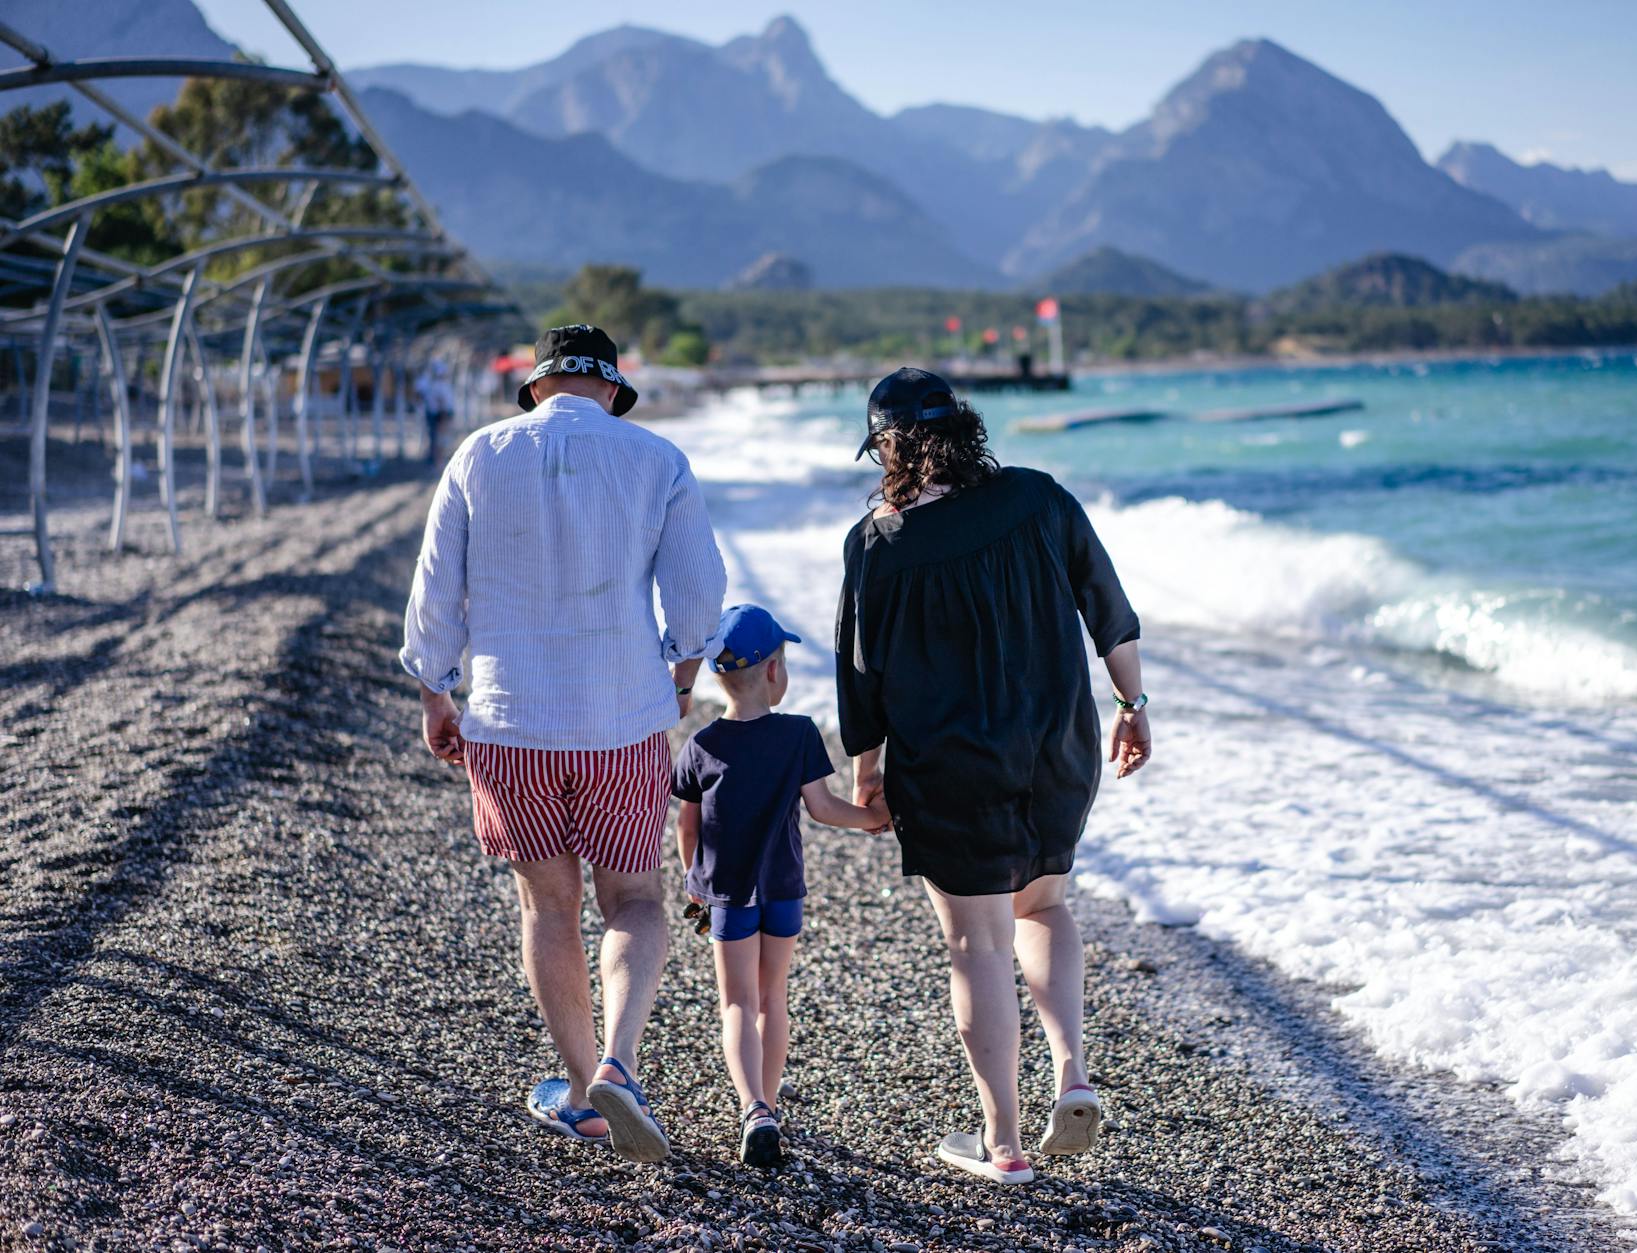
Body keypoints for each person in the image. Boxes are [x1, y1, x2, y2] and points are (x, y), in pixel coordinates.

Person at [399, 324, 726, 1160]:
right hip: (621, 721)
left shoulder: (478, 454)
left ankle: (582, 1093)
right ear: (612, 388)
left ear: (536, 387)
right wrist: (681, 682)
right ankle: (621, 1060)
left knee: (549, 905)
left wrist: (437, 692)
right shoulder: (656, 459)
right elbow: (697, 598)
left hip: (509, 721)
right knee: (637, 902)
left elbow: (434, 592)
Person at [836, 367, 1152, 1185]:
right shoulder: (1041, 497)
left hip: (946, 765)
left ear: (887, 446)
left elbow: (861, 674)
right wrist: (1133, 702)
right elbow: (1106, 607)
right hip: (1056, 747)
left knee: (976, 939)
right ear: (966, 427)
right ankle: (1073, 1072)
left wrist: (866, 770)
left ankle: (1004, 1141)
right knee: (1044, 903)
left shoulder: (876, 541)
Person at [671, 604, 889, 1167]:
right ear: (773, 671)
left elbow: (686, 823)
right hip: (784, 889)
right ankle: (767, 1101)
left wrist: (694, 880)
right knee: (773, 998)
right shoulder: (798, 734)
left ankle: (754, 1108)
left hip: (727, 892)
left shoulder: (702, 745)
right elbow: (823, 809)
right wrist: (876, 819)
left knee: (737, 1001)